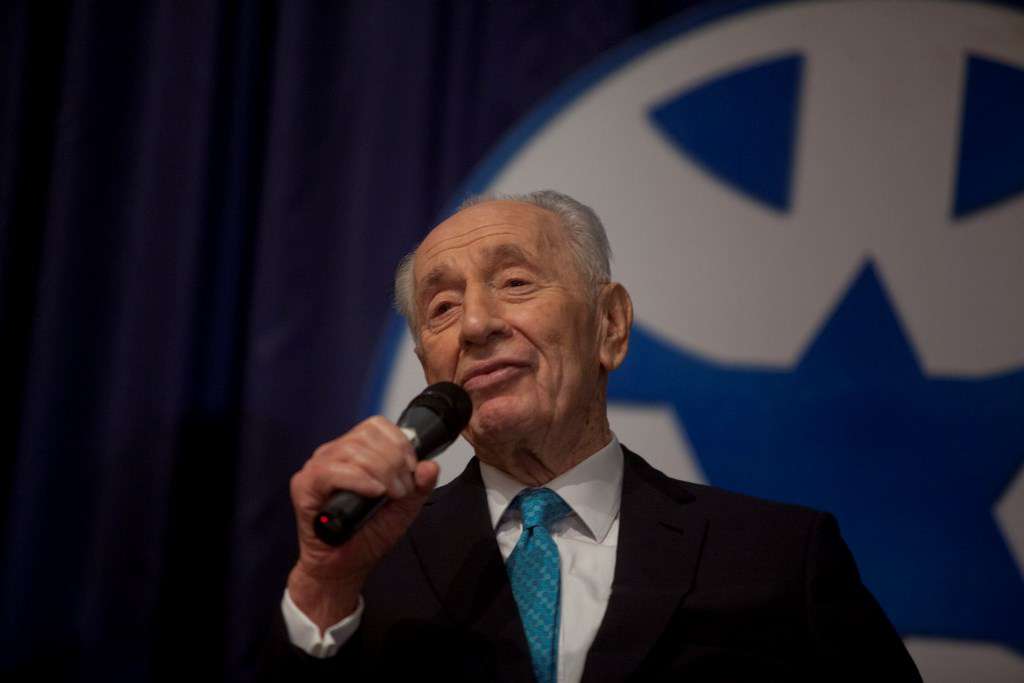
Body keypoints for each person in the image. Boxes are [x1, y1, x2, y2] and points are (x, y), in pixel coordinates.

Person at [264, 191, 921, 681]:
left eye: (515, 283)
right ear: (426, 364)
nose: (476, 325)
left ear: (610, 324)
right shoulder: (361, 567)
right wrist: (324, 585)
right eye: (443, 308)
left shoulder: (776, 557)